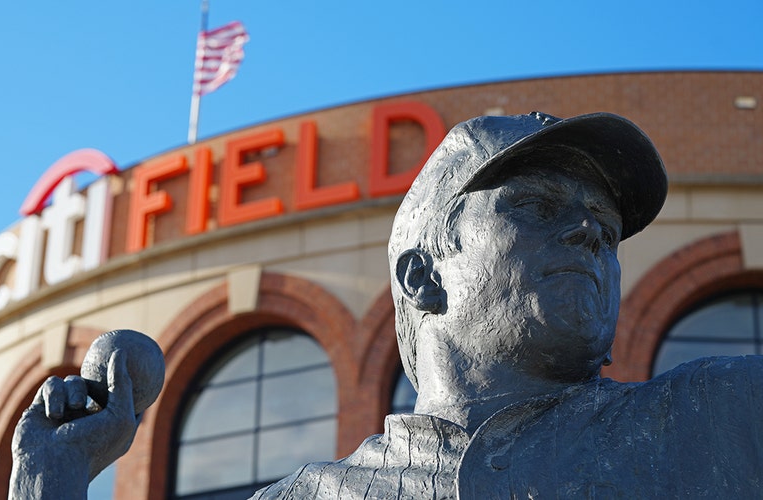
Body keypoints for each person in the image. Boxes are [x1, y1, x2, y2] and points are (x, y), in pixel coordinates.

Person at [251, 112, 763, 498]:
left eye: (607, 231)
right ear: (423, 277)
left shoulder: (726, 412)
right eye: (536, 206)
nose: (589, 231)